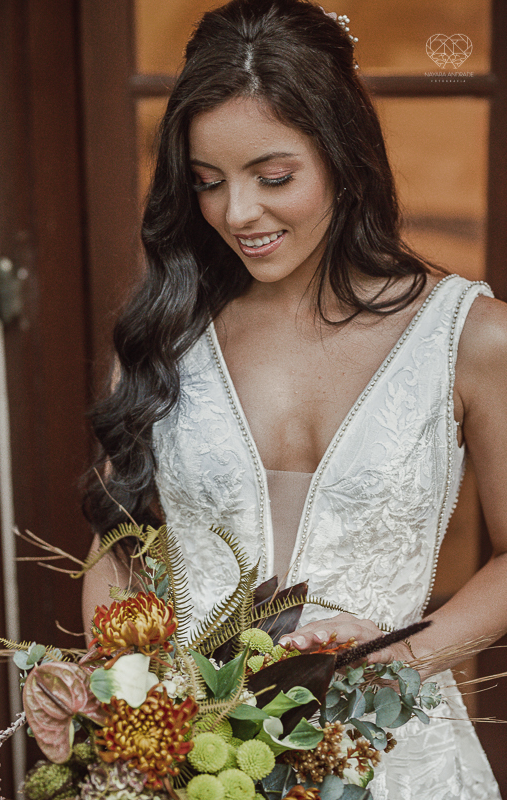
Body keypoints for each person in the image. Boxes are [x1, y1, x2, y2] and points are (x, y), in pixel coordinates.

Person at [82, 1, 507, 796]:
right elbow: (123, 546)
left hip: (392, 757)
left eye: (273, 177)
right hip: (189, 765)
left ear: (344, 158)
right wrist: (118, 693)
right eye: (209, 182)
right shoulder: (163, 333)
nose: (238, 214)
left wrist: (399, 659)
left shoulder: (473, 338)